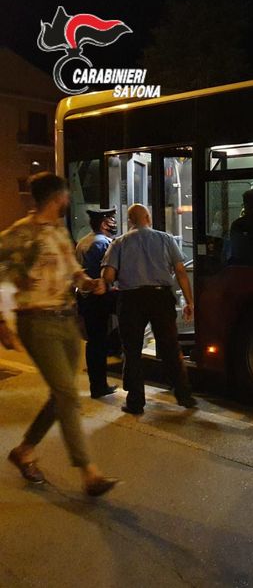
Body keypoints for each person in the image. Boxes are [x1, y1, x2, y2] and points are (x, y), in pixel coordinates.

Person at [0, 172, 118, 496]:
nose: (68, 199)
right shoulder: (21, 233)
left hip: (67, 322)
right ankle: (88, 472)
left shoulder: (59, 232)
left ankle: (24, 450)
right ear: (56, 197)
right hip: (37, 322)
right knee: (67, 394)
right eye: (65, 194)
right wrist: (1, 321)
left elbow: (73, 272)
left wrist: (89, 283)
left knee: (61, 394)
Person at [102, 204, 197, 415]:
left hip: (130, 300)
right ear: (148, 218)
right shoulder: (166, 239)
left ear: (130, 221)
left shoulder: (119, 242)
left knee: (132, 351)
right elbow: (181, 272)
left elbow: (108, 276)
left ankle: (136, 402)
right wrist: (189, 302)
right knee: (170, 347)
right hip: (160, 298)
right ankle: (184, 395)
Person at [76, 208, 119, 398]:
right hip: (98, 297)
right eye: (111, 220)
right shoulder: (102, 243)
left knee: (94, 341)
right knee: (100, 342)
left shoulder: (83, 242)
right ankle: (100, 385)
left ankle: (97, 384)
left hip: (85, 297)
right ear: (103, 223)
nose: (114, 223)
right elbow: (103, 275)